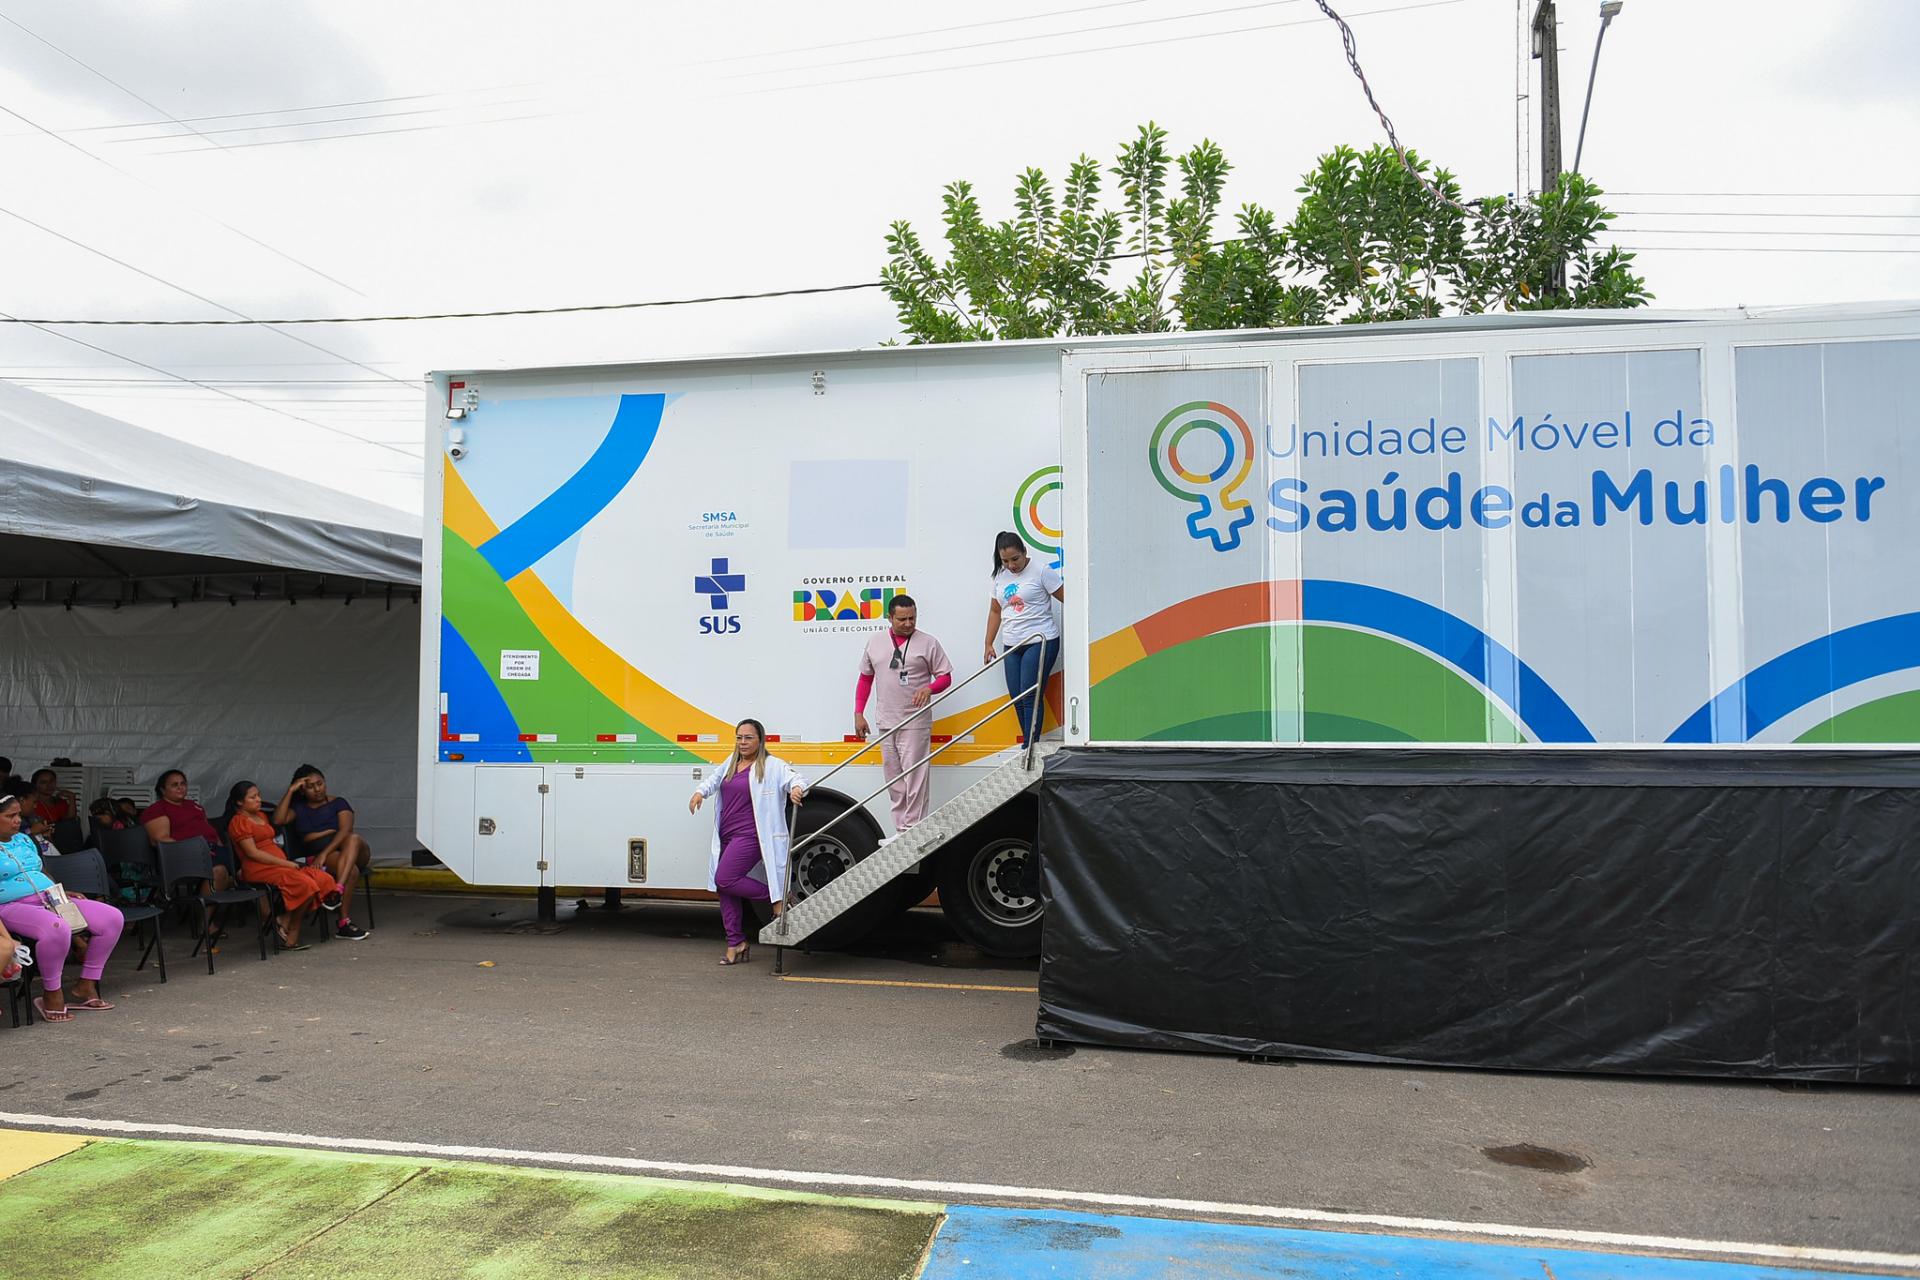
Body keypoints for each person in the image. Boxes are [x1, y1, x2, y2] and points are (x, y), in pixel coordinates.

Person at [687, 719, 807, 966]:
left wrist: (797, 789)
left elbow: (795, 779)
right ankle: (736, 942)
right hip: (727, 836)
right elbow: (712, 781)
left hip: (751, 835)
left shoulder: (772, 766)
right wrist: (700, 793)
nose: (742, 742)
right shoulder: (731, 763)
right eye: (739, 737)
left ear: (760, 740)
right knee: (725, 889)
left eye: (748, 737)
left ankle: (778, 898)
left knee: (724, 878)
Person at [0, 793, 124, 1022]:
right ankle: (51, 993)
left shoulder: (24, 840)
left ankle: (86, 984)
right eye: (10, 816)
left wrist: (60, 890)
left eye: (18, 814)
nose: (18, 820)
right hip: (10, 906)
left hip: (49, 898)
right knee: (56, 928)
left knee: (112, 918)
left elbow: (40, 871)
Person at [854, 595, 953, 833]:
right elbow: (865, 679)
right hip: (886, 720)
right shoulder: (875, 642)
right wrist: (859, 712)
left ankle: (914, 827)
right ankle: (901, 828)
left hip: (915, 720)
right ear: (889, 617)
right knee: (894, 777)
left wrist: (929, 688)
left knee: (915, 776)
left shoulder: (928, 642)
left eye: (912, 618)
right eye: (902, 619)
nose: (909, 623)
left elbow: (945, 677)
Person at [223, 782, 339, 951]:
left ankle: (285, 920)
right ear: (240, 802)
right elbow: (253, 854)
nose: (259, 799)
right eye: (253, 797)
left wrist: (287, 864)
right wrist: (287, 863)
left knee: (322, 878)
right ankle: (292, 931)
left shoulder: (261, 816)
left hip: (279, 866)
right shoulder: (238, 822)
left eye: (258, 795)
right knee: (306, 884)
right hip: (259, 868)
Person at [983, 531, 1065, 742]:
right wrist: (988, 643)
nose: (1011, 565)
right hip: (1012, 642)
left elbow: (1069, 598)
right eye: (1005, 561)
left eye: (1015, 559)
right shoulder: (1000, 577)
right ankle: (1029, 742)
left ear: (1024, 552)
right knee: (1016, 697)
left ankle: (1029, 746)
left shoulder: (1041, 571)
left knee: (1030, 694)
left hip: (1040, 639)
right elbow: (995, 611)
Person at [273, 765, 369, 939]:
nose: (317, 789)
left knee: (353, 838)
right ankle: (343, 923)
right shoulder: (298, 808)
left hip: (348, 849)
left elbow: (345, 830)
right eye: (310, 786)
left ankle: (337, 890)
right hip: (326, 856)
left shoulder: (338, 802)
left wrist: (324, 852)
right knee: (352, 871)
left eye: (320, 783)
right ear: (302, 790)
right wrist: (290, 791)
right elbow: (278, 819)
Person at [139, 769, 235, 890]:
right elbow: (160, 839)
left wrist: (220, 847)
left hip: (214, 850)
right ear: (163, 790)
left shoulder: (194, 806)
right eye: (174, 785)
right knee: (219, 873)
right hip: (185, 857)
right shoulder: (157, 809)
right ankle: (201, 908)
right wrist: (195, 851)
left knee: (247, 873)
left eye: (183, 783)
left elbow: (210, 832)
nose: (180, 787)